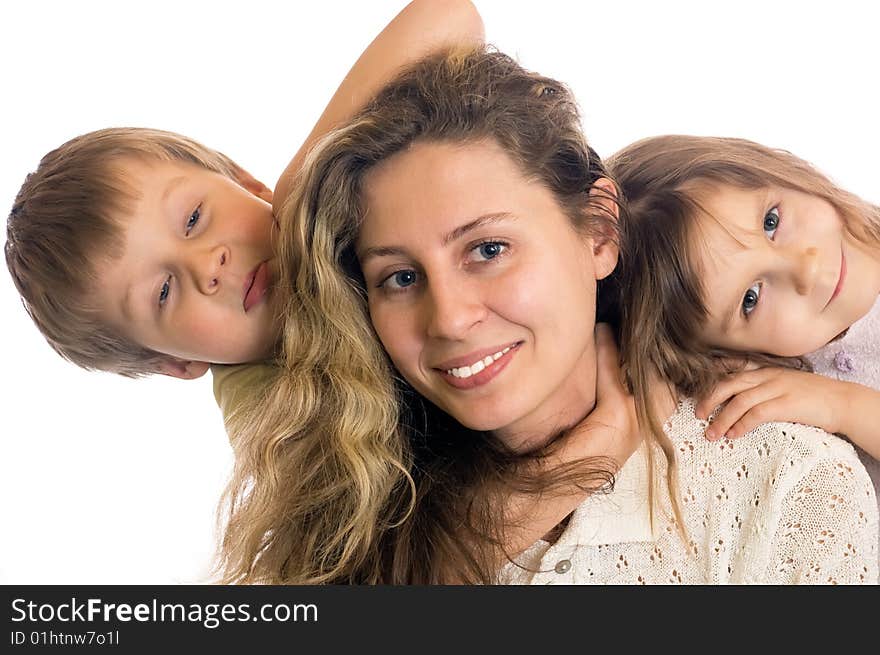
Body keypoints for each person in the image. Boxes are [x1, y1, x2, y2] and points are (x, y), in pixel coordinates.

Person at [245, 46, 878, 584]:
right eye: (401, 278)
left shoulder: (786, 482)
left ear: (600, 231)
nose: (450, 319)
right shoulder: (351, 510)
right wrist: (583, 459)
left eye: (488, 250)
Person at [5, 0, 483, 381]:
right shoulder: (278, 428)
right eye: (164, 292)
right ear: (177, 363)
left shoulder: (346, 200)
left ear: (244, 181)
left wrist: (302, 177)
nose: (206, 267)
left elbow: (450, 15)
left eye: (193, 219)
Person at [604, 135, 880, 527]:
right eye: (750, 298)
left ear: (782, 172)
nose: (808, 268)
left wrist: (846, 407)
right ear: (722, 357)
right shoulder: (774, 383)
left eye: (772, 222)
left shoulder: (824, 395)